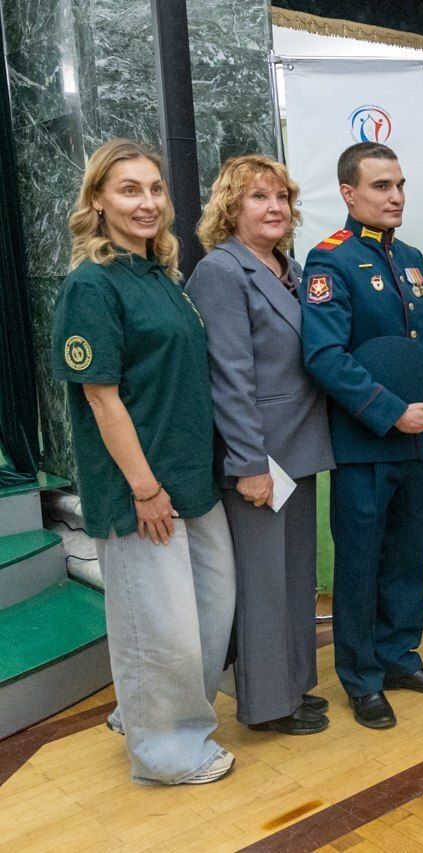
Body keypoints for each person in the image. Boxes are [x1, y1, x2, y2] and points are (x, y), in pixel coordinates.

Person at [51, 139, 235, 784]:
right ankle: (165, 753)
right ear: (98, 201)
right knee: (160, 627)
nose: (148, 202)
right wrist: (144, 488)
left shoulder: (161, 276)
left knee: (211, 610)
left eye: (155, 188)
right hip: (140, 488)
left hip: (191, 477)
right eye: (129, 189)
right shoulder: (90, 286)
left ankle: (144, 711)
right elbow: (101, 398)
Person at [301, 142, 423, 730]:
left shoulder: (412, 259)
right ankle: (362, 678)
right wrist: (391, 412)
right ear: (349, 194)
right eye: (381, 186)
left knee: (409, 559)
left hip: (421, 442)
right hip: (366, 444)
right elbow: (323, 356)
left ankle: (399, 657)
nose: (395, 197)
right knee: (361, 565)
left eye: (399, 185)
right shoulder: (330, 261)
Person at [186, 155, 334, 735]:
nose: (275, 208)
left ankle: (292, 686)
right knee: (264, 587)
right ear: (231, 208)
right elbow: (229, 377)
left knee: (294, 578)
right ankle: (267, 706)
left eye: (282, 197)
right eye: (259, 197)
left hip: (300, 449)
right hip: (259, 460)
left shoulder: (289, 267)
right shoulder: (221, 272)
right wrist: (248, 465)